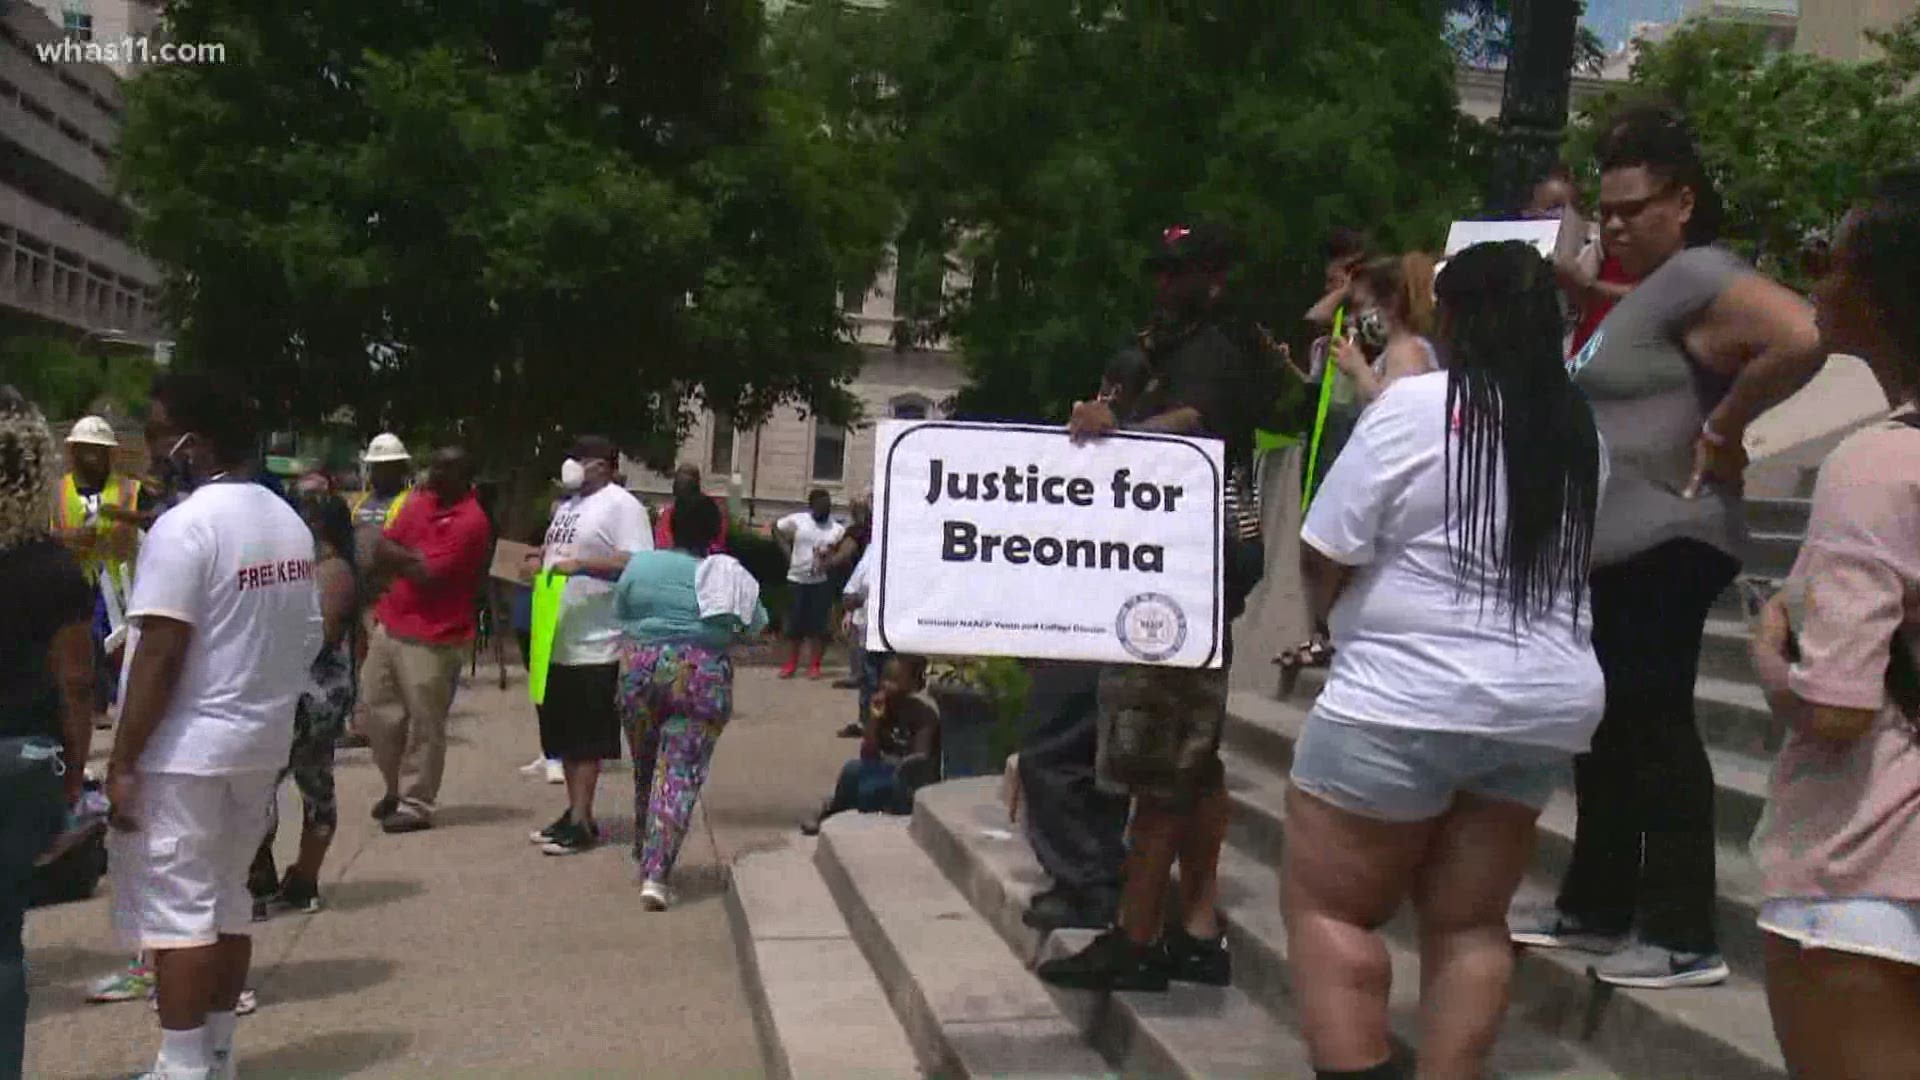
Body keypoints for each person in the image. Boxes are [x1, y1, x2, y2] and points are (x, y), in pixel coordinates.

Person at [1508, 105, 1825, 989]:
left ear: (1683, 201)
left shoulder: (1698, 271)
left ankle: (1682, 931)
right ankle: (1597, 906)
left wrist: (1726, 427)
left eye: (1631, 208)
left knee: (1654, 731)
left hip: (1669, 541)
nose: (1610, 226)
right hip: (1615, 551)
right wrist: (1590, 294)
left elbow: (1801, 333)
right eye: (1603, 211)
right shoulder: (1653, 289)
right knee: (1603, 735)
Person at [1281, 241, 1607, 1080]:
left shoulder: (1419, 405)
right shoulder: (1579, 429)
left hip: (1401, 695)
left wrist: (1328, 623)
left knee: (1334, 911)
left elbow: (1327, 546)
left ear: (1454, 319)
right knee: (1469, 923)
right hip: (1538, 705)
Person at [1038, 222, 1255, 992]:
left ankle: (1135, 937)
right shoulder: (1150, 353)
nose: (1164, 285)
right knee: (1193, 762)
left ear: (1212, 280)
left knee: (1161, 760)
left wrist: (1116, 428)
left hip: (1188, 580)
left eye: (1180, 273)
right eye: (1158, 272)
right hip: (1153, 573)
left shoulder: (1216, 353)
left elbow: (1192, 428)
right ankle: (1195, 928)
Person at [1748, 168, 1920, 1080]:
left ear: (1880, 288)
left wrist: (1771, 650)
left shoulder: (1879, 465)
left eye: (1827, 259)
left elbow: (1840, 708)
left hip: (1868, 875)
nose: (1815, 282)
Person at [103, 372, 321, 1080]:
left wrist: (122, 760)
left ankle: (182, 1064)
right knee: (228, 904)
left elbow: (161, 652)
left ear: (195, 444)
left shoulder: (185, 526)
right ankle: (218, 1056)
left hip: (186, 751)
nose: (153, 446)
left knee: (179, 917)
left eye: (160, 432)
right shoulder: (286, 522)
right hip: (258, 743)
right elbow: (303, 633)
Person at [0, 387, 95, 1080]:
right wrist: (73, 772)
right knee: (4, 942)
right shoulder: (56, 571)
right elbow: (77, 685)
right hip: (24, 760)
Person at [610, 493, 766, 909]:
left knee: (645, 764)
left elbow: (620, 609)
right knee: (678, 772)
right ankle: (657, 874)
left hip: (640, 671)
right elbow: (755, 625)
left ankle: (645, 848)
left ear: (670, 527)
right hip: (702, 676)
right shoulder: (727, 575)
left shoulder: (641, 564)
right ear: (716, 533)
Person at [527, 436, 652, 856]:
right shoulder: (568, 505)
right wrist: (538, 559)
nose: (573, 465)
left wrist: (582, 566)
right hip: (557, 634)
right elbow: (557, 553)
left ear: (606, 465)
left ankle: (581, 821)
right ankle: (576, 813)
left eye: (582, 459)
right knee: (561, 735)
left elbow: (637, 563)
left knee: (585, 738)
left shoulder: (622, 505)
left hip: (596, 641)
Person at [360, 446, 491, 834]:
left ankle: (416, 802)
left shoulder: (471, 521)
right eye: (432, 464)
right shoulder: (418, 503)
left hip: (435, 635)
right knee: (376, 712)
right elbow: (380, 546)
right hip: (392, 621)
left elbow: (427, 573)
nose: (432, 473)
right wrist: (402, 556)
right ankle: (393, 788)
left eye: (443, 468)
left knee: (424, 723)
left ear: (463, 476)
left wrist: (396, 555)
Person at [246, 492, 359, 915]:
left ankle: (289, 878)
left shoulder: (332, 572)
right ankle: (278, 878)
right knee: (296, 785)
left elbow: (324, 635)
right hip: (303, 694)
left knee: (268, 787)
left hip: (311, 697)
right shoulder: (310, 569)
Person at [54, 415, 154, 730]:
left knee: (117, 644)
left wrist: (123, 515)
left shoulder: (130, 488)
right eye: (86, 449)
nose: (93, 456)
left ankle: (115, 704)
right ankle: (93, 705)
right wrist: (71, 539)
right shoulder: (56, 491)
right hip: (72, 580)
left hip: (119, 583)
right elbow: (44, 534)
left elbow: (156, 518)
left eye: (99, 450)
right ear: (74, 451)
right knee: (83, 645)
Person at [802, 655, 940, 834]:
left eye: (895, 681)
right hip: (884, 768)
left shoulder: (924, 715)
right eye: (885, 679)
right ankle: (831, 810)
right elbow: (868, 753)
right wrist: (874, 720)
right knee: (852, 770)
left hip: (907, 779)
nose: (887, 686)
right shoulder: (881, 709)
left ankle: (850, 808)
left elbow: (919, 760)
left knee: (868, 791)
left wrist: (890, 765)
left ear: (914, 685)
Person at [1327, 253, 1440, 406]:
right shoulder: (1398, 349)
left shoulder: (1408, 352)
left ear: (1390, 303)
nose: (1358, 315)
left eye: (1363, 305)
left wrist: (1358, 368)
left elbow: (1394, 411)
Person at [773, 489, 845, 681]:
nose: (825, 509)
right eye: (821, 506)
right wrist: (787, 553)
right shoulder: (798, 520)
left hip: (820, 582)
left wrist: (830, 560)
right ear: (812, 506)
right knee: (794, 625)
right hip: (796, 579)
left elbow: (841, 551)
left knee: (818, 626)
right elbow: (777, 528)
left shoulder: (836, 530)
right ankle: (791, 664)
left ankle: (814, 665)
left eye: (828, 506)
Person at [821, 494, 873, 689]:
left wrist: (825, 564)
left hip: (856, 581)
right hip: (860, 580)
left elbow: (844, 554)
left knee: (854, 629)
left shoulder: (857, 532)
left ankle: (857, 673)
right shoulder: (877, 529)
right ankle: (862, 671)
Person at [834, 543, 883, 739]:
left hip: (891, 628)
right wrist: (850, 602)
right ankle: (865, 723)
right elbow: (854, 586)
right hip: (864, 624)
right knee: (867, 679)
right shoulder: (872, 548)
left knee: (885, 679)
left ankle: (882, 727)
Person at [651, 464, 728, 555]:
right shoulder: (712, 506)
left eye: (680, 480)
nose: (676, 484)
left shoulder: (672, 511)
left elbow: (663, 543)